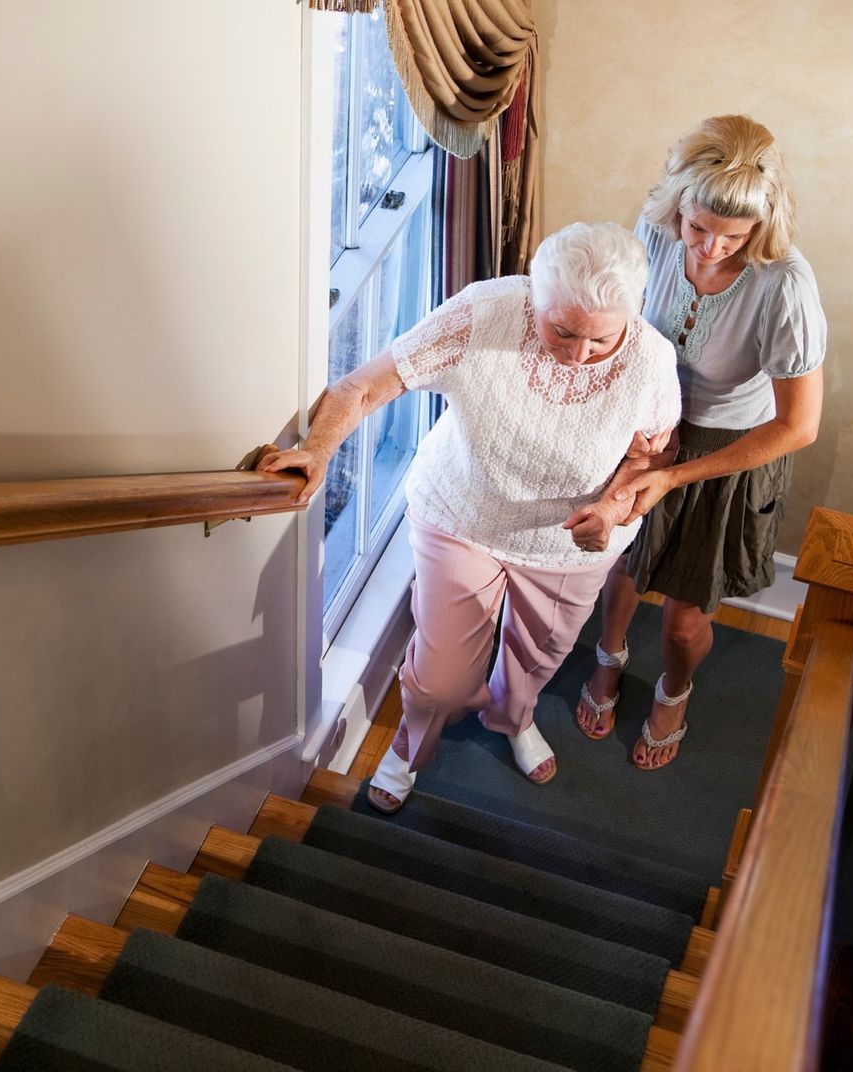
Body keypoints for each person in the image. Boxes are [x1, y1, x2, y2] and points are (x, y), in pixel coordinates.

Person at [262, 223, 681, 812]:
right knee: (441, 680)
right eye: (561, 330)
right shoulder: (484, 313)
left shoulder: (652, 361)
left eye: (600, 340)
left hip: (570, 543)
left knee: (540, 655)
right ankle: (409, 747)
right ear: (533, 293)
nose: (578, 355)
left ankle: (514, 718)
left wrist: (612, 508)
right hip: (464, 512)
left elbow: (654, 456)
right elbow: (363, 388)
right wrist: (318, 450)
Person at [572, 114, 826, 770]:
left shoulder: (785, 286)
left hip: (727, 449)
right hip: (649, 424)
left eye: (734, 237)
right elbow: (625, 328)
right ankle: (610, 656)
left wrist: (676, 475)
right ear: (678, 205)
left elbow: (798, 425)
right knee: (623, 566)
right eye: (699, 229)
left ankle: (674, 688)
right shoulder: (653, 234)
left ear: (761, 227)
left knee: (686, 618)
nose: (711, 249)